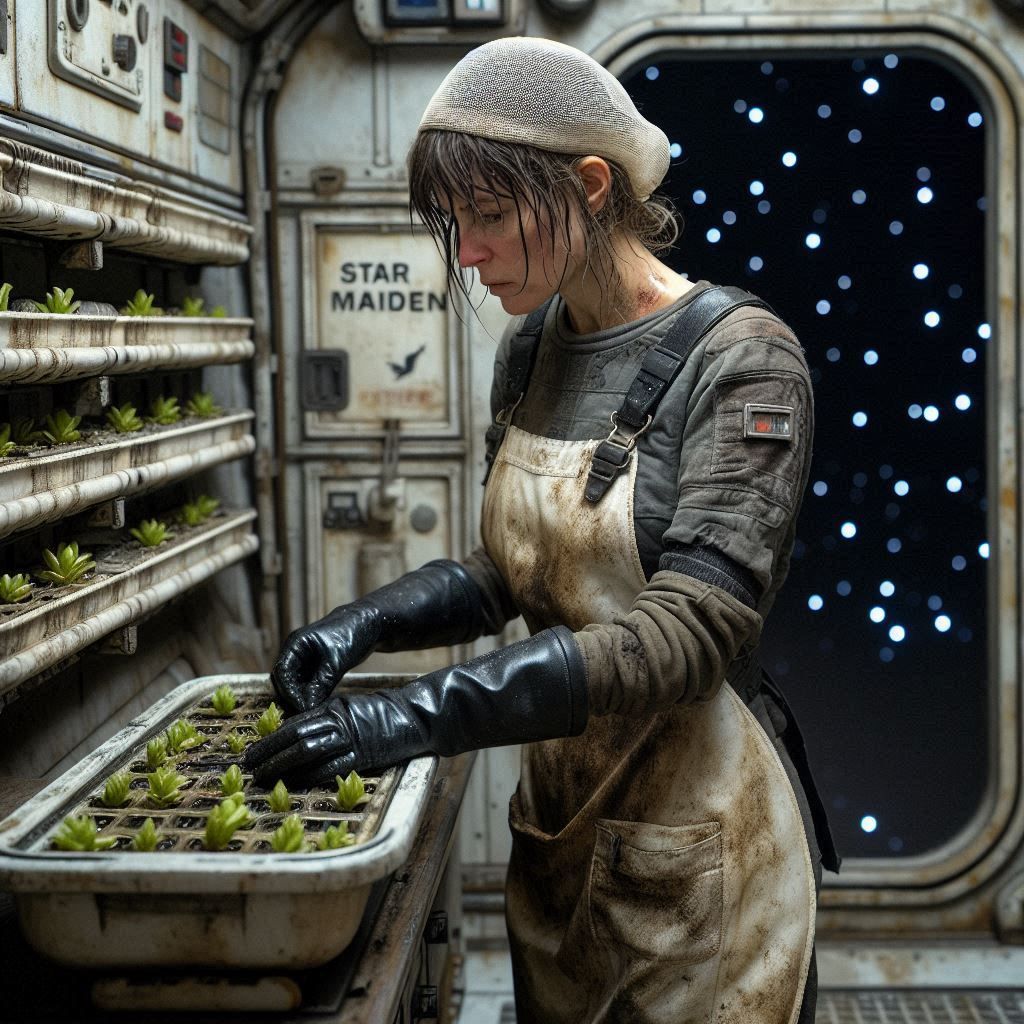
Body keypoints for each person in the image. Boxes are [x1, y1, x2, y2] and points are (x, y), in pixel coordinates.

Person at [245, 36, 839, 1024]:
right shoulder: (533, 347)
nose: (468, 255)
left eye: (488, 215)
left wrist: (412, 715)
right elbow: (512, 568)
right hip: (562, 826)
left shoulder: (742, 359)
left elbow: (687, 637)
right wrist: (363, 626)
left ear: (594, 187)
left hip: (698, 850)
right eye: (454, 222)